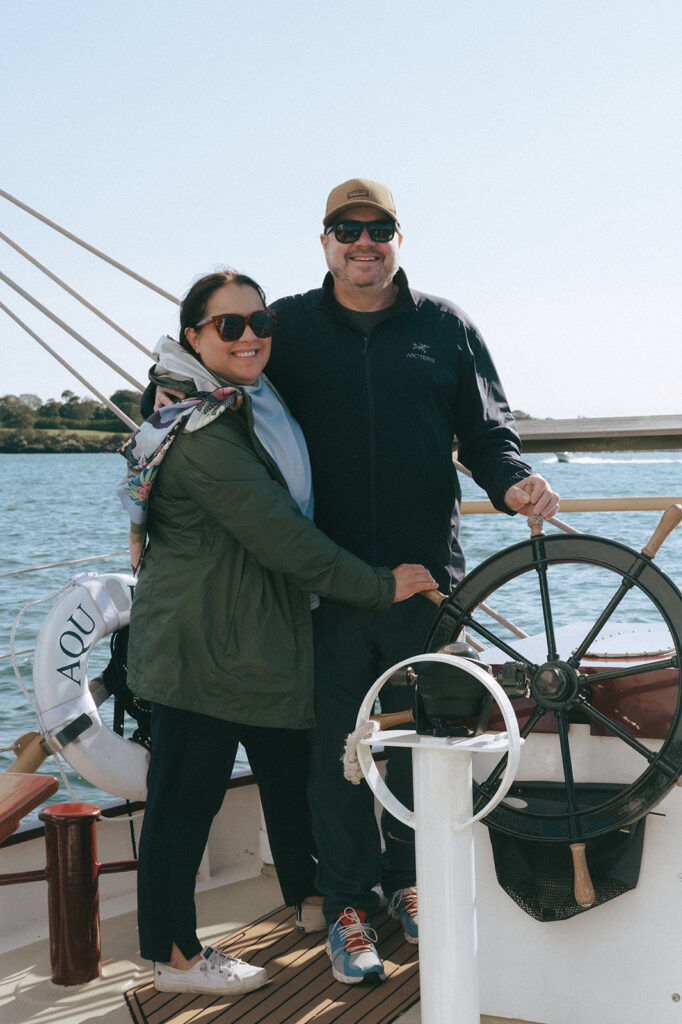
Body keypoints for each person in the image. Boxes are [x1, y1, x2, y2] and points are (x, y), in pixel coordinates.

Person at [148, 179, 560, 986]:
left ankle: (410, 887)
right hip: (326, 588)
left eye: (379, 229)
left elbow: (485, 433)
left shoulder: (445, 327)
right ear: (325, 239)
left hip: (431, 585)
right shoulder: (286, 327)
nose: (363, 242)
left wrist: (512, 482)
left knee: (423, 748)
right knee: (337, 755)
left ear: (398, 238)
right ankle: (345, 906)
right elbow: (204, 382)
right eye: (347, 229)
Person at [124, 269, 436, 996]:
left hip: (255, 634)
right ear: (193, 337)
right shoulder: (201, 431)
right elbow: (281, 536)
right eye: (227, 325)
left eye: (259, 322)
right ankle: (173, 960)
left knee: (294, 767)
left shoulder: (251, 398)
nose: (250, 337)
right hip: (201, 642)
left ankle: (314, 898)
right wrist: (377, 585)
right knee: (184, 802)